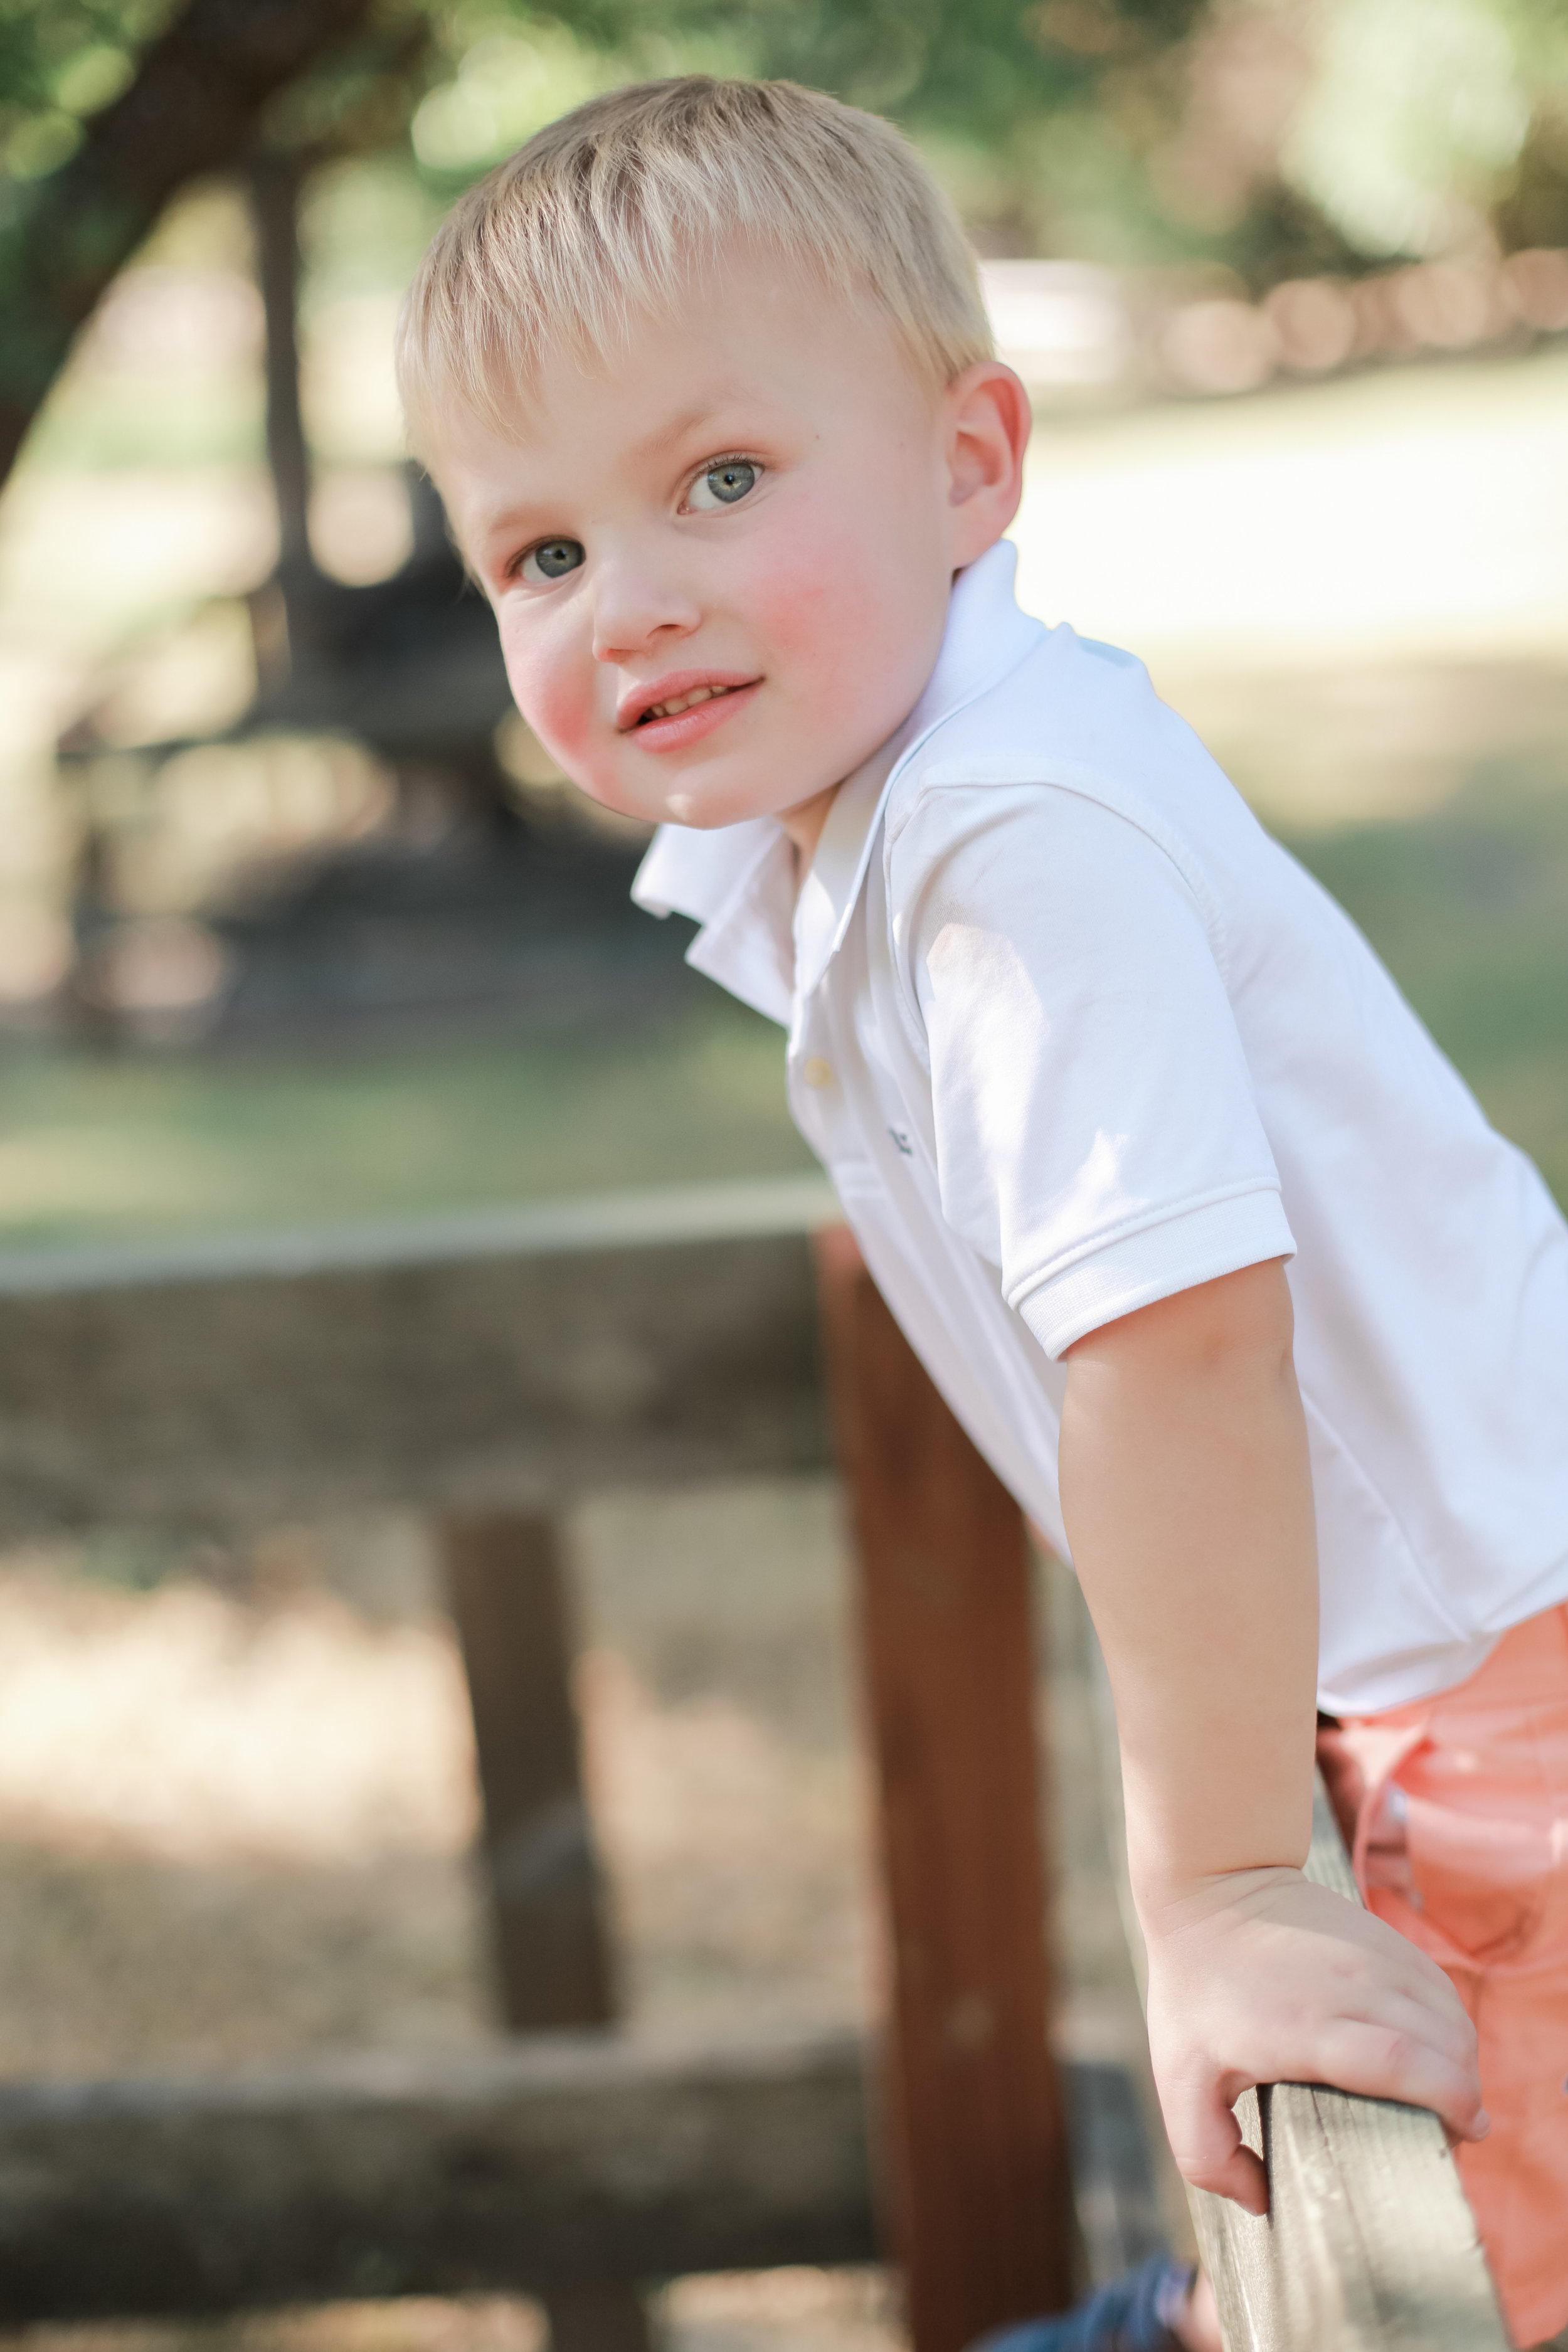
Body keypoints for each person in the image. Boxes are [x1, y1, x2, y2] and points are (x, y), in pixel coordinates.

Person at [395, 77, 1568, 2351]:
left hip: (1509, 1692)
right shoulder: (854, 816)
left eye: (720, 481)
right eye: (538, 555)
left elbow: (1176, 1345)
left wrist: (1220, 1882)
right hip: (1432, 1676)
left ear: (968, 467)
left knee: (1462, 2299)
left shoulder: (1007, 829)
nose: (626, 605)